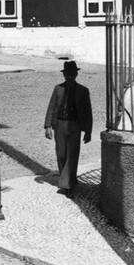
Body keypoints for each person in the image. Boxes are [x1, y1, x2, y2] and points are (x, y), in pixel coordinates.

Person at [43, 60, 93, 195]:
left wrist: (88, 131)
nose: (70, 77)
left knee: (72, 155)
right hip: (59, 124)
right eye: (68, 74)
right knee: (61, 154)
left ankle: (67, 185)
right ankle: (69, 179)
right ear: (64, 75)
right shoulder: (58, 89)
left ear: (76, 74)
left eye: (72, 74)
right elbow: (51, 107)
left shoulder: (83, 91)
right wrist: (48, 126)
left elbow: (88, 112)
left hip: (75, 125)